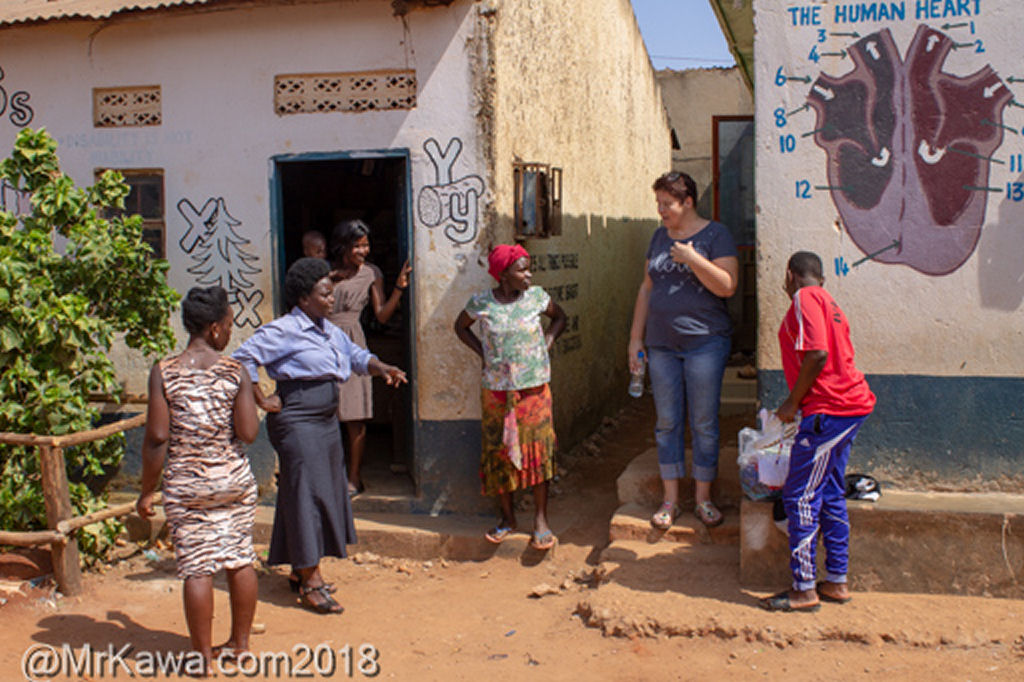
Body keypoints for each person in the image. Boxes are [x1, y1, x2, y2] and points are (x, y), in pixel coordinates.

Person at [232, 257, 407, 614]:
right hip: (297, 421)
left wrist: (382, 367)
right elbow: (242, 358)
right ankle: (311, 579)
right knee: (307, 495)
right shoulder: (284, 330)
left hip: (326, 421)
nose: (331, 299)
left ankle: (300, 567)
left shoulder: (329, 330)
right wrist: (261, 397)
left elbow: (356, 356)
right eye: (325, 294)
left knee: (311, 492)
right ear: (304, 299)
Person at [136, 286, 260, 667]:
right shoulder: (234, 371)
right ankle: (240, 648)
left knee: (197, 566)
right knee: (240, 559)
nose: (230, 332)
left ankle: (203, 658)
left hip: (187, 485)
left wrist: (146, 492)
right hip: (233, 480)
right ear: (214, 328)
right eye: (228, 324)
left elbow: (157, 438)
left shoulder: (164, 372)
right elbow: (249, 433)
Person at [760, 251, 876, 612]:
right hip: (848, 407)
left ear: (790, 274)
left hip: (829, 410)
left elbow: (817, 354)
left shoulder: (805, 298)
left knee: (799, 497)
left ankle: (804, 589)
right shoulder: (830, 302)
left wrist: (793, 403)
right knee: (829, 492)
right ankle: (836, 581)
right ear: (821, 277)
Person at [627, 171, 738, 529]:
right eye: (658, 203)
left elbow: (727, 287)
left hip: (705, 342)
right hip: (661, 347)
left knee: (703, 422)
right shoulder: (659, 237)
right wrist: (635, 339)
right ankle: (670, 500)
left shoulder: (715, 234)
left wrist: (693, 259)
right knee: (666, 423)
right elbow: (645, 288)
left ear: (687, 202)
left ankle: (703, 499)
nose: (661, 211)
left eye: (666, 204)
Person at [454, 244, 567, 550]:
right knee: (500, 452)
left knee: (537, 454)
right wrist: (483, 355)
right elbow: (460, 327)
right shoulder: (481, 303)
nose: (528, 274)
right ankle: (507, 518)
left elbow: (561, 318)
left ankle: (541, 521)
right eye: (521, 269)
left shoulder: (537, 298)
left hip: (534, 390)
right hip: (497, 391)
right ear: (503, 275)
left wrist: (546, 342)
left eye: (529, 268)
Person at [327, 219, 411, 497]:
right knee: (325, 413)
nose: (363, 250)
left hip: (352, 341)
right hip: (323, 342)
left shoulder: (371, 273)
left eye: (366, 245)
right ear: (343, 246)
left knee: (355, 415)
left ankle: (354, 478)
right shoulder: (325, 272)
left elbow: (382, 315)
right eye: (357, 245)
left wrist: (399, 288)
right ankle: (329, 477)